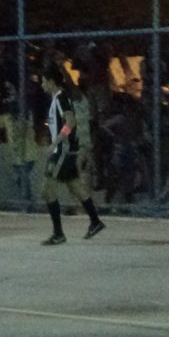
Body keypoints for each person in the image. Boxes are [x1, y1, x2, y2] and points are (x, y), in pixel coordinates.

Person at [39, 68, 105, 245]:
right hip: (66, 151)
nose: (42, 85)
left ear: (52, 82)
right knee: (75, 187)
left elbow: (70, 122)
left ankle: (58, 233)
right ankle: (95, 221)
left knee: (47, 191)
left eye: (44, 81)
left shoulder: (61, 98)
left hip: (63, 151)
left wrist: (56, 142)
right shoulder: (57, 99)